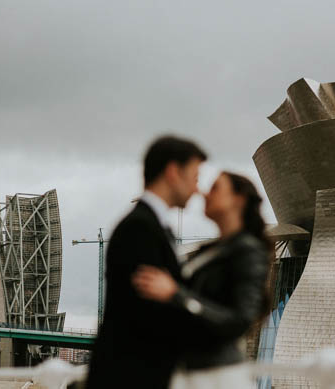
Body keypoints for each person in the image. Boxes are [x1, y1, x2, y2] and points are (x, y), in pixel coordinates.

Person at [132, 172, 273, 388]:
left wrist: (176, 295)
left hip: (217, 377)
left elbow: (240, 320)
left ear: (238, 199)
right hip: (190, 373)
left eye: (215, 188)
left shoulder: (247, 251)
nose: (205, 194)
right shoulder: (209, 251)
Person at [87, 135, 207, 389]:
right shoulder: (139, 228)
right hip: (130, 377)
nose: (197, 189)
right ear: (173, 172)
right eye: (195, 177)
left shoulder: (150, 226)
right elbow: (149, 313)